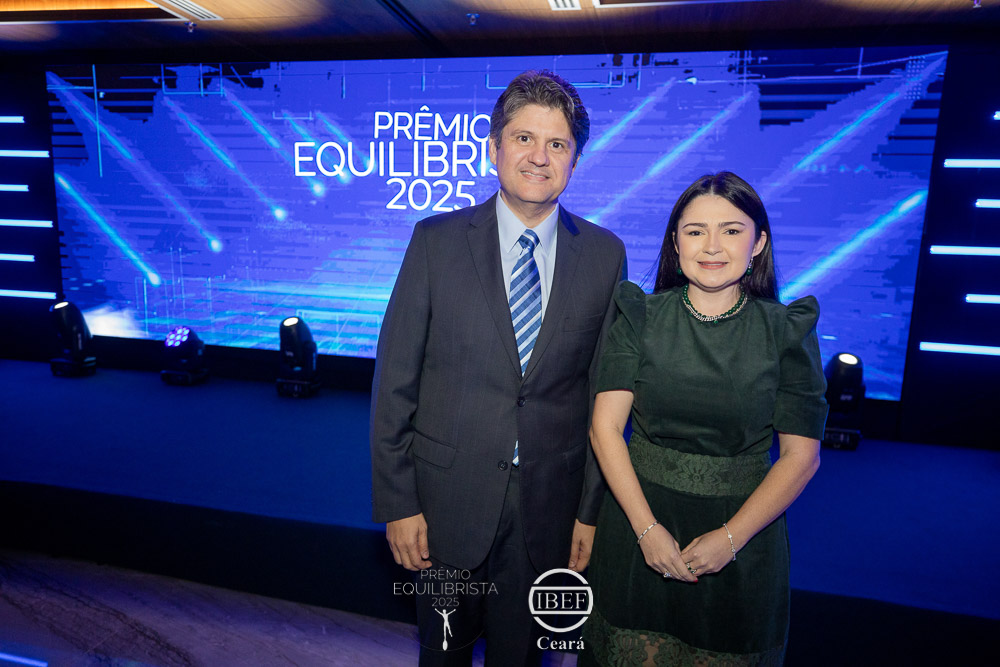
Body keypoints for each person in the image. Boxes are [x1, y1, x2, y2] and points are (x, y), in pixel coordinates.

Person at [370, 70, 627, 666]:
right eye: (523, 138)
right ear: (494, 148)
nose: (539, 157)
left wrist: (589, 512)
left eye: (557, 144)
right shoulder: (435, 241)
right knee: (442, 656)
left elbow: (603, 397)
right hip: (444, 505)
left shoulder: (605, 255)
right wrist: (398, 503)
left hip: (550, 512)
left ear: (575, 160)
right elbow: (395, 382)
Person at [580, 171, 827, 666]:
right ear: (676, 243)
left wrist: (731, 539)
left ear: (758, 243)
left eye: (731, 230)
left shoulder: (787, 331)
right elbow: (604, 429)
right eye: (695, 231)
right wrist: (646, 530)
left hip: (744, 540)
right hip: (638, 528)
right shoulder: (640, 315)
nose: (712, 246)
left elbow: (801, 458)